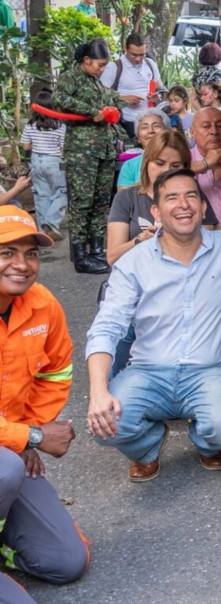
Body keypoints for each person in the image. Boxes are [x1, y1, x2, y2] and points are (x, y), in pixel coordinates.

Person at [87, 169, 221, 482]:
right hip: (147, 371)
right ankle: (148, 446)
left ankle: (207, 441)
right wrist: (97, 390)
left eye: (191, 196)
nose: (183, 204)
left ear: (203, 207)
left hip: (211, 370)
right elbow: (107, 327)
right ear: (157, 212)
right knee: (104, 426)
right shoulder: (134, 261)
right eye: (172, 198)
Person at [0, 207, 90, 588]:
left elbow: (56, 373)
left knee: (66, 562)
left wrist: (27, 431)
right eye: (7, 252)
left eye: (31, 253)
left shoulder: (42, 303)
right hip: (7, 455)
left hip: (9, 446)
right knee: (7, 471)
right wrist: (31, 438)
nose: (22, 264)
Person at [54, 38, 123, 274]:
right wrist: (92, 112)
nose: (102, 69)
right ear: (86, 60)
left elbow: (109, 101)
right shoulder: (71, 77)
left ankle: (96, 251)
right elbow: (59, 99)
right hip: (82, 152)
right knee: (82, 204)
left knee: (100, 202)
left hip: (103, 149)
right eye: (99, 64)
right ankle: (81, 257)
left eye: (105, 65)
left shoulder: (96, 82)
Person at [108, 129, 220, 266]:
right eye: (160, 163)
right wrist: (140, 240)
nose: (166, 171)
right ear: (146, 163)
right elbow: (112, 258)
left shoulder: (193, 196)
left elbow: (208, 248)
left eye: (175, 165)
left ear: (185, 168)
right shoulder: (125, 198)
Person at [100, 33, 162, 142]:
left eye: (142, 54)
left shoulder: (150, 64)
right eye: (133, 55)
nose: (138, 59)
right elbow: (100, 94)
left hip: (150, 121)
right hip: (127, 122)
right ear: (125, 48)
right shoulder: (114, 67)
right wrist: (123, 98)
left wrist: (158, 96)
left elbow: (160, 88)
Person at [21, 90, 66, 240]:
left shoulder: (30, 125)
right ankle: (51, 222)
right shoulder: (60, 126)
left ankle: (42, 232)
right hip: (54, 162)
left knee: (42, 195)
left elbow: (26, 147)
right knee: (60, 192)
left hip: (36, 161)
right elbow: (62, 149)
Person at [191, 42, 221, 110]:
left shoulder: (196, 75)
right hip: (218, 111)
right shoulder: (219, 74)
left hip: (203, 112)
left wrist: (203, 112)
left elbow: (193, 99)